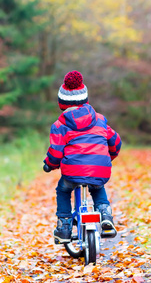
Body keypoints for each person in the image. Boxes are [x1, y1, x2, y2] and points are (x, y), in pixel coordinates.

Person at [43, 70, 122, 244]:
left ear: (62, 103)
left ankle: (63, 227)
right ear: (85, 100)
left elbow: (55, 152)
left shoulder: (60, 125)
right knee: (97, 186)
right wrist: (108, 156)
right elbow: (116, 142)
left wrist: (49, 164)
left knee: (63, 190)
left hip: (73, 170)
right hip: (100, 168)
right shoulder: (100, 120)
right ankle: (105, 214)